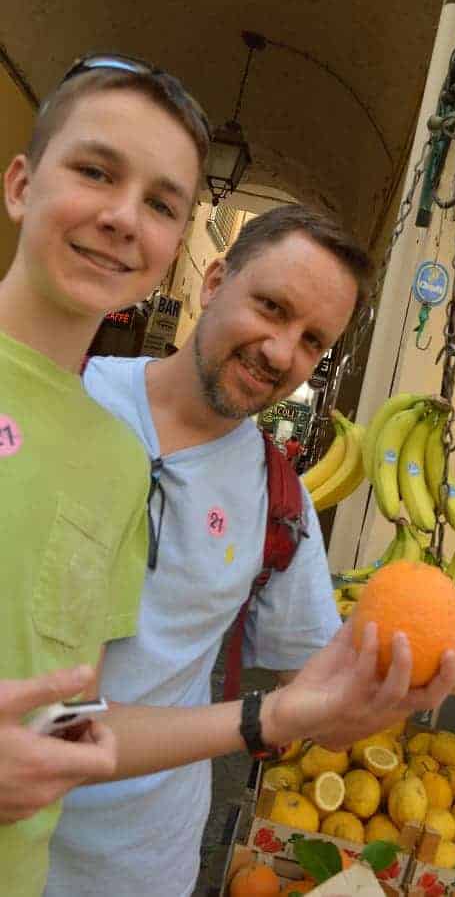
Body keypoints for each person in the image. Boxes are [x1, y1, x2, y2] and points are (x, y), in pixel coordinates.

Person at [46, 204, 455, 897]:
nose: (279, 352)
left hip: (140, 870)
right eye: (270, 306)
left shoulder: (277, 497)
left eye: (311, 341)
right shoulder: (59, 402)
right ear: (213, 281)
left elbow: (325, 711)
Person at [0, 53, 211, 896]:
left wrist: (288, 715)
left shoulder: (121, 461)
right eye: (95, 170)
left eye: (162, 204)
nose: (125, 218)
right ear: (21, 185)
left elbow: (68, 711)